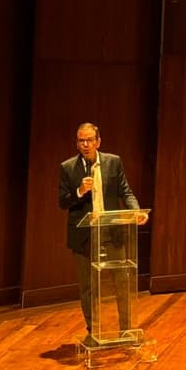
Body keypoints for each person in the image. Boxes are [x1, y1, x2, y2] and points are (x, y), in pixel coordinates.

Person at [59, 123, 148, 344]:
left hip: (112, 232)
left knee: (122, 282)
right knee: (88, 288)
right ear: (77, 143)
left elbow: (125, 190)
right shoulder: (68, 167)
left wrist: (135, 211)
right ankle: (94, 332)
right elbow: (63, 201)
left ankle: (126, 330)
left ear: (98, 142)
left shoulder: (113, 162)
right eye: (81, 141)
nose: (85, 144)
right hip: (84, 236)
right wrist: (80, 191)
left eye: (89, 140)